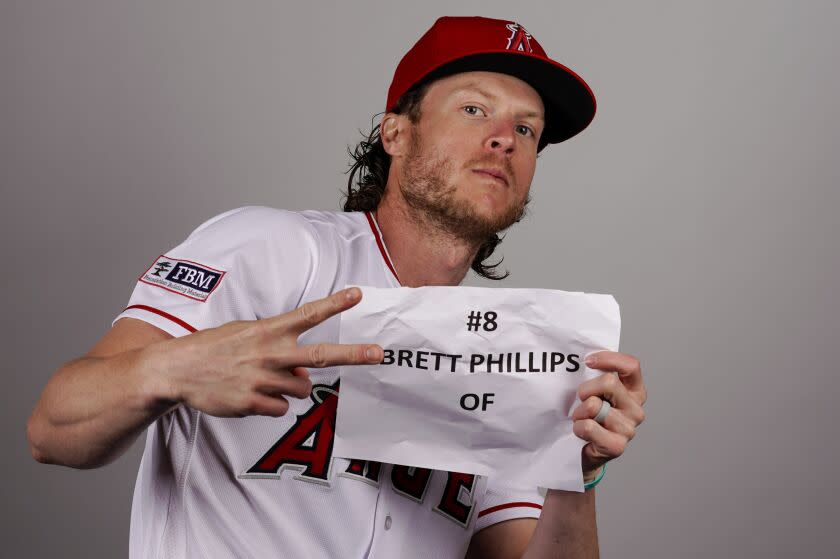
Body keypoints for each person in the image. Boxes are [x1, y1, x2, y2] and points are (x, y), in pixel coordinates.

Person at [28, 15, 647, 559]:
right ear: (396, 133)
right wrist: (175, 369)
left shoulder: (505, 354)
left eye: (528, 129)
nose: (503, 139)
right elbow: (53, 429)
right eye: (474, 109)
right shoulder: (274, 251)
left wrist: (579, 474)